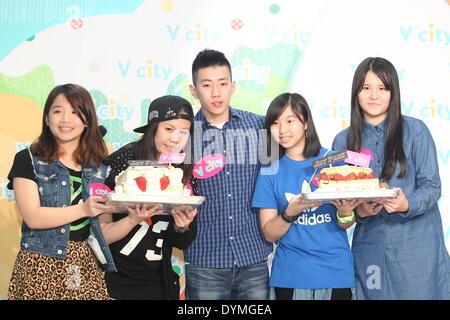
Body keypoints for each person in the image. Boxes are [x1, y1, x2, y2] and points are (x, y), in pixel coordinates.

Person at [332, 57, 450, 299]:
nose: (374, 95)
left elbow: (432, 186)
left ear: (393, 92)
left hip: (416, 250)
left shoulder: (416, 131)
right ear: (356, 92)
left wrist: (407, 204)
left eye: (382, 88)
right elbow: (342, 206)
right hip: (370, 250)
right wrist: (355, 212)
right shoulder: (342, 142)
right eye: (366, 88)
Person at [7, 83, 117, 300]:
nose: (66, 119)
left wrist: (134, 217)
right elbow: (34, 217)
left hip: (80, 265)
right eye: (58, 111)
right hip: (38, 265)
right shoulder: (27, 160)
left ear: (87, 120)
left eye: (76, 112)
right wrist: (84, 209)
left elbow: (103, 230)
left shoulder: (100, 168)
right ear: (47, 119)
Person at [251, 92, 361, 300]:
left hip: (335, 273)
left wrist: (346, 213)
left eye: (290, 121)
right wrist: (289, 214)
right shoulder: (269, 171)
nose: (283, 130)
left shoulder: (334, 160)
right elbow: (269, 233)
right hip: (291, 275)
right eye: (275, 123)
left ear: (306, 123)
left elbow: (346, 222)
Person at [184, 49, 273, 300]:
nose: (216, 92)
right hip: (205, 261)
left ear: (233, 86)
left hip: (253, 257)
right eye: (207, 85)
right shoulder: (183, 134)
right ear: (194, 90)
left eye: (222, 84)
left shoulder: (259, 127)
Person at [100, 95, 199, 300]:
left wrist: (182, 227)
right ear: (153, 128)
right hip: (114, 279)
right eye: (168, 129)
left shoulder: (184, 172)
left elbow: (183, 241)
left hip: (158, 282)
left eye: (183, 132)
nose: (175, 138)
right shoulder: (123, 160)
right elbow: (100, 223)